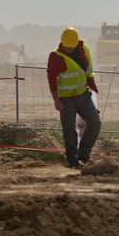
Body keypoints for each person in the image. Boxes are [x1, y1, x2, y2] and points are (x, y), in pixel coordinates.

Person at [47, 26, 101, 168]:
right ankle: (72, 159)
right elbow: (51, 79)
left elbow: (89, 71)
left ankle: (84, 153)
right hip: (65, 99)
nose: (69, 49)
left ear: (77, 42)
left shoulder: (84, 50)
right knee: (69, 129)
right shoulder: (55, 56)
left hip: (83, 95)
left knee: (95, 122)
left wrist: (92, 91)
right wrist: (56, 100)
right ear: (62, 43)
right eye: (67, 47)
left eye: (72, 47)